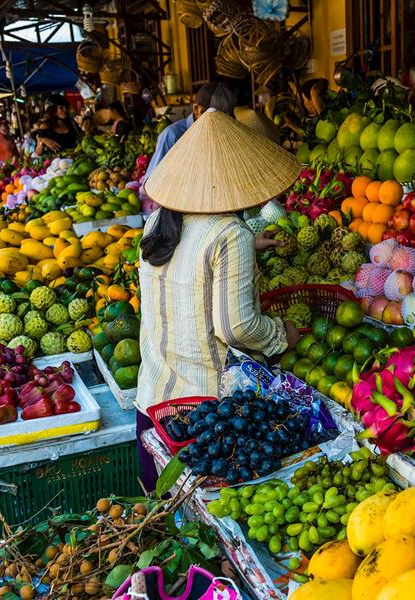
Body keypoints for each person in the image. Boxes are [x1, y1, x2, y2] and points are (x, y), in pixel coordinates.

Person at [135, 109, 300, 488]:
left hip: (155, 403)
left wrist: (243, 249)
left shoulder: (158, 221)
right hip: (206, 417)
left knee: (164, 523)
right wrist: (281, 334)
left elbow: (188, 266)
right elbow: (237, 327)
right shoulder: (230, 233)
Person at [142, 82, 237, 184]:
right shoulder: (172, 136)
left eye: (225, 120)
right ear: (197, 110)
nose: (220, 125)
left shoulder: (226, 134)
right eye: (215, 119)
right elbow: (151, 181)